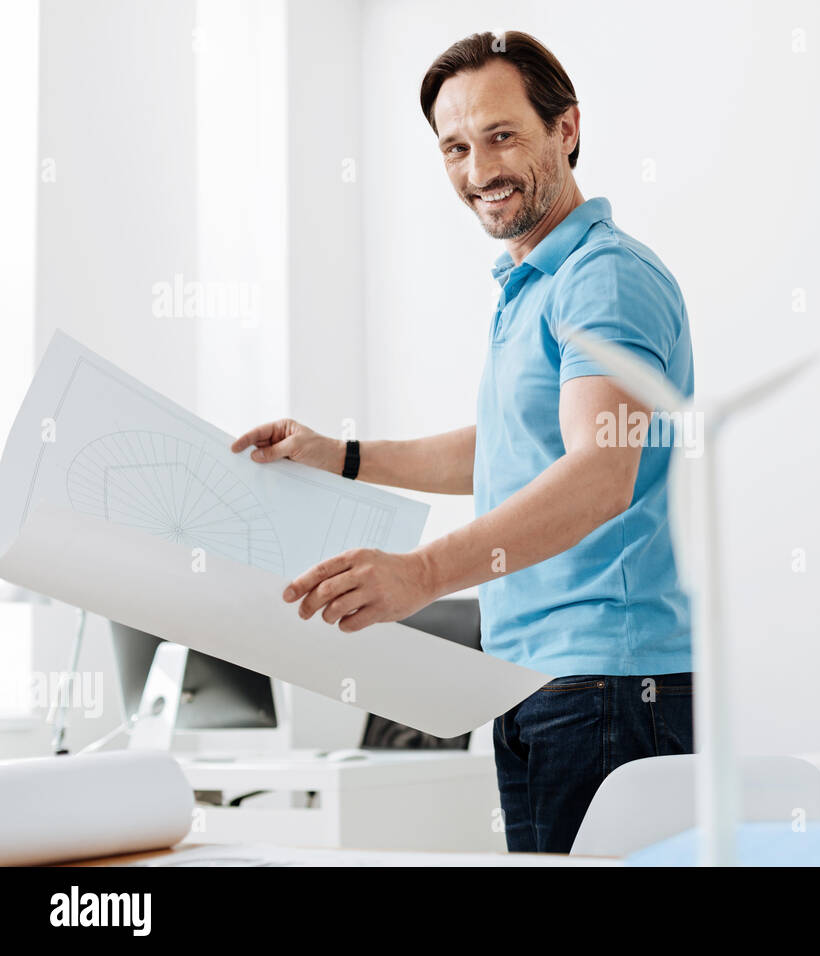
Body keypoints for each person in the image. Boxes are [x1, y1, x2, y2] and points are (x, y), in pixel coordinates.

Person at [230, 30, 695, 854]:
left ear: (568, 129)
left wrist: (422, 574)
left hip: (611, 683)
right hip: (534, 680)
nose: (479, 171)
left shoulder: (602, 277)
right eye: (455, 147)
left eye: (502, 135)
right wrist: (342, 456)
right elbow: (509, 449)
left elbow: (599, 474)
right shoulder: (533, 284)